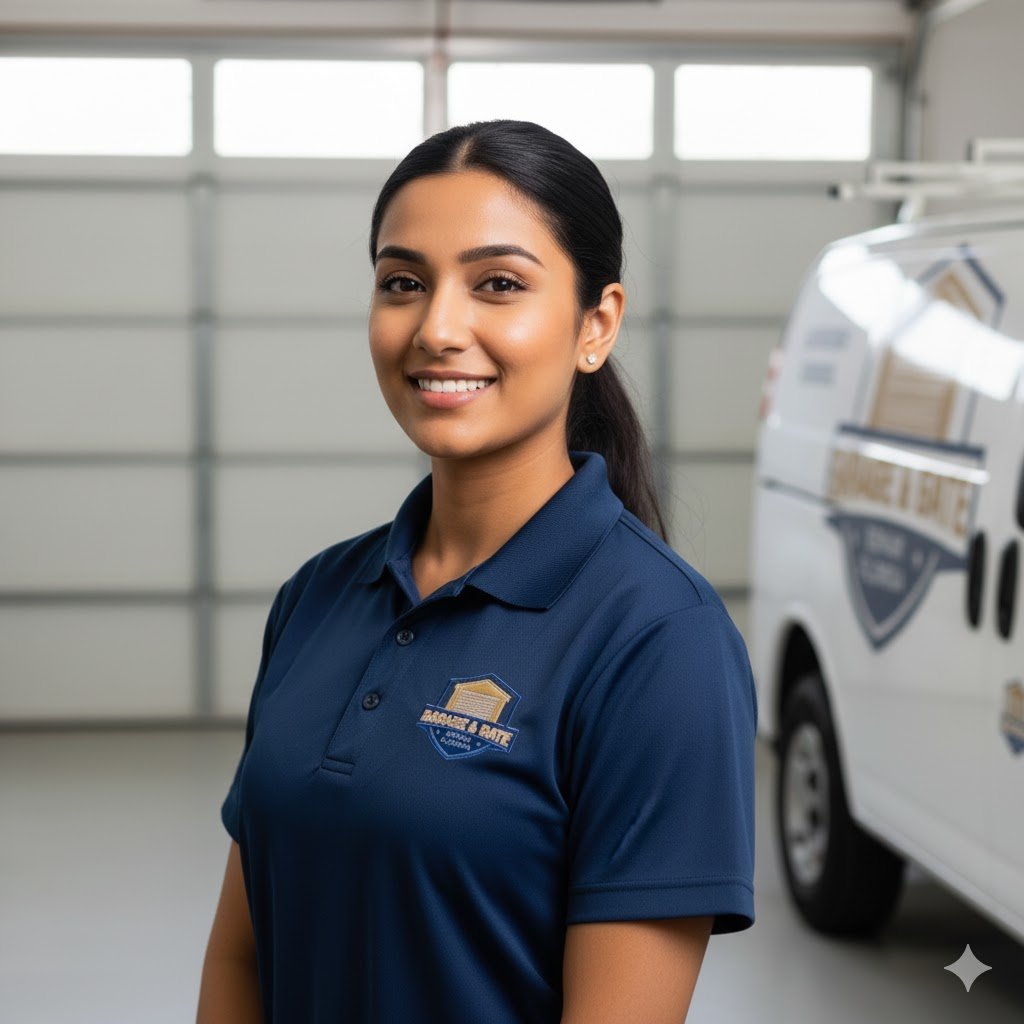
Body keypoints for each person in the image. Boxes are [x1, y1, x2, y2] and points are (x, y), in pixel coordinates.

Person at [197, 118, 757, 1024]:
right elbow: (240, 954)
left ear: (596, 322)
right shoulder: (318, 596)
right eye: (403, 283)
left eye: (498, 284)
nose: (438, 327)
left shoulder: (660, 641)